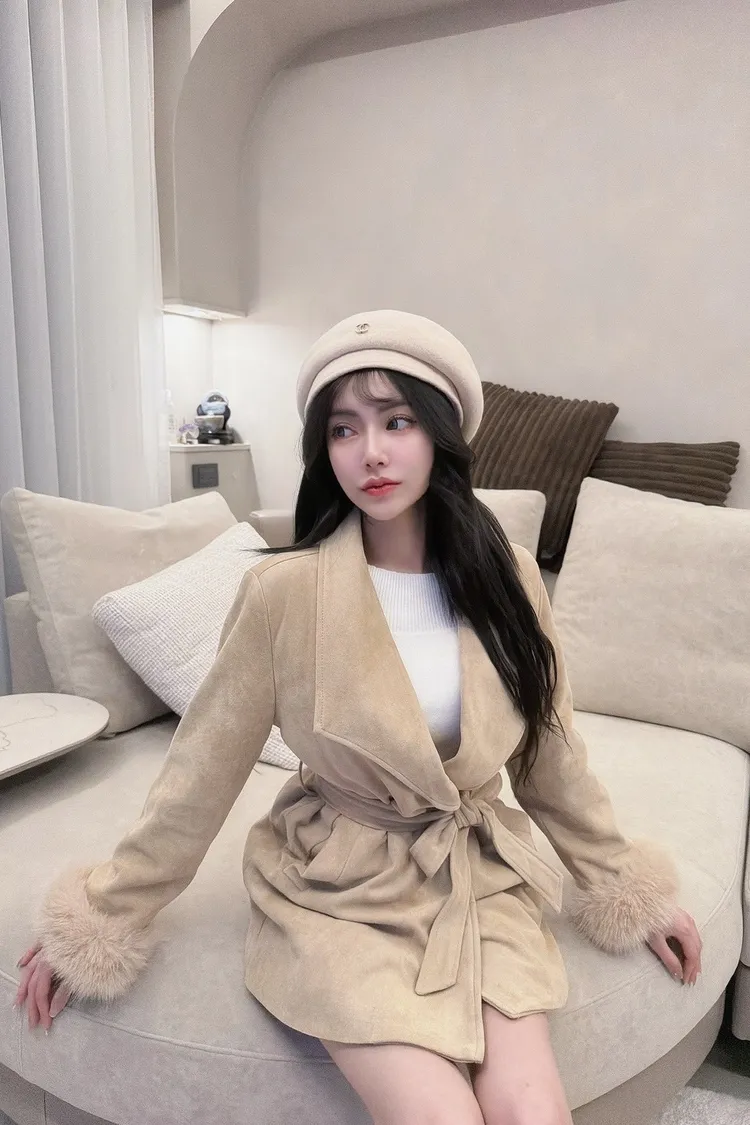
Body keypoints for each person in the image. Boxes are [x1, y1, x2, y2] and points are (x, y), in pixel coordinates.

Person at [16, 310, 701, 1125]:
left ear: (441, 433)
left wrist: (624, 884)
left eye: (396, 421)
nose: (369, 451)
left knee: (532, 1110)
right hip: (340, 887)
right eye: (343, 429)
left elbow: (550, 758)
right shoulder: (282, 594)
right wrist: (104, 914)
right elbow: (200, 772)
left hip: (476, 872)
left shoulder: (510, 576)